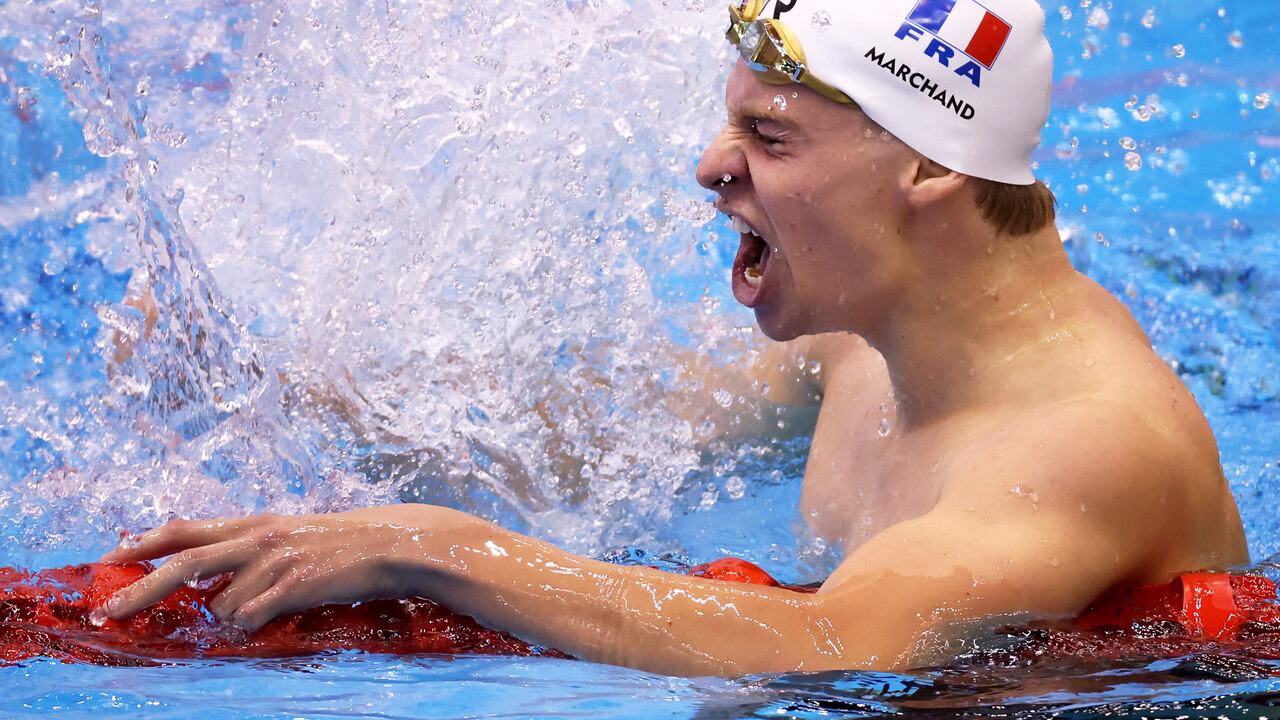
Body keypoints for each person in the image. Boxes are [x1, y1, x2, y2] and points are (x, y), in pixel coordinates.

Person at [98, 0, 1248, 676]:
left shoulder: (1082, 448)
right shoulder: (858, 343)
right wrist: (268, 394)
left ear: (928, 167)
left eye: (770, 136)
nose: (710, 165)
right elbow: (593, 446)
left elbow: (837, 642)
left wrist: (443, 550)